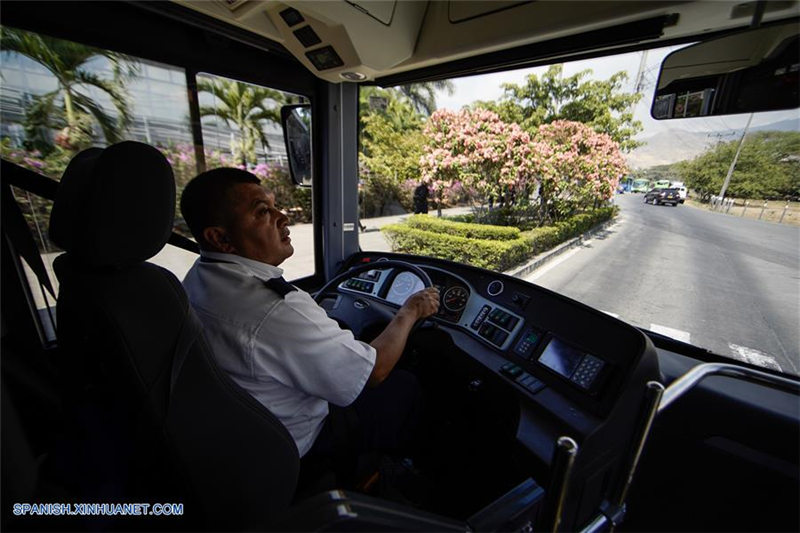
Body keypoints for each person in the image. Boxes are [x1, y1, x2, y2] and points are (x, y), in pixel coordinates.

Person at [180, 168, 439, 486]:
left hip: (238, 432)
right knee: (405, 386)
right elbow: (375, 371)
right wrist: (410, 311)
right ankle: (401, 471)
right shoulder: (274, 306)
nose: (282, 217)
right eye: (263, 211)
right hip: (301, 445)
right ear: (220, 238)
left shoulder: (198, 275)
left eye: (276, 206)